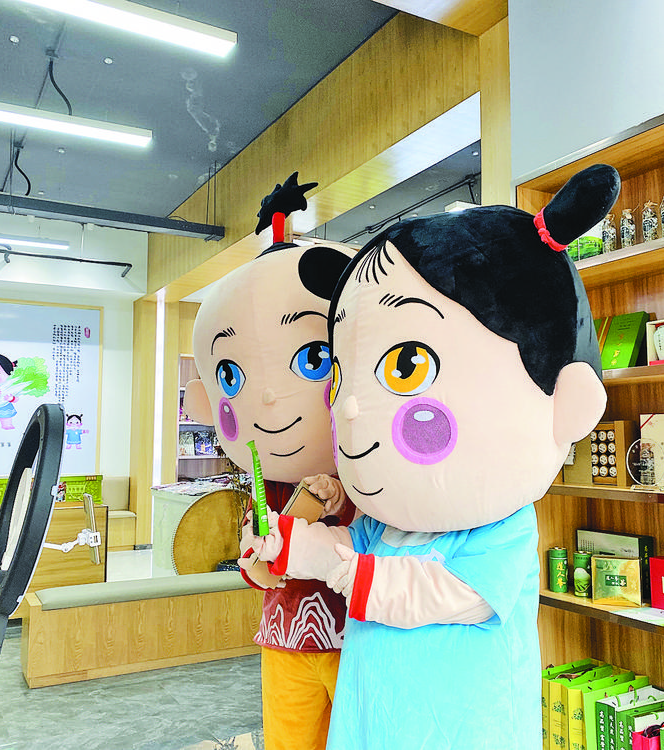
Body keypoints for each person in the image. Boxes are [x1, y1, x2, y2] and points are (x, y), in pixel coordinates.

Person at [252, 164, 620, 749]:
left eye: (407, 367)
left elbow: (446, 592)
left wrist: (345, 570)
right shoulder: (382, 521)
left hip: (462, 730)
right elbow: (351, 548)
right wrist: (290, 546)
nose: (351, 408)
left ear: (567, 401)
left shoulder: (505, 527)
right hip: (372, 722)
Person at [183, 173, 356, 750]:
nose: (269, 400)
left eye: (313, 359)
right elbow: (254, 562)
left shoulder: (372, 478)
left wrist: (333, 503)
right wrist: (264, 555)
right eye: (232, 376)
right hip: (283, 638)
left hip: (358, 637)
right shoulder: (265, 486)